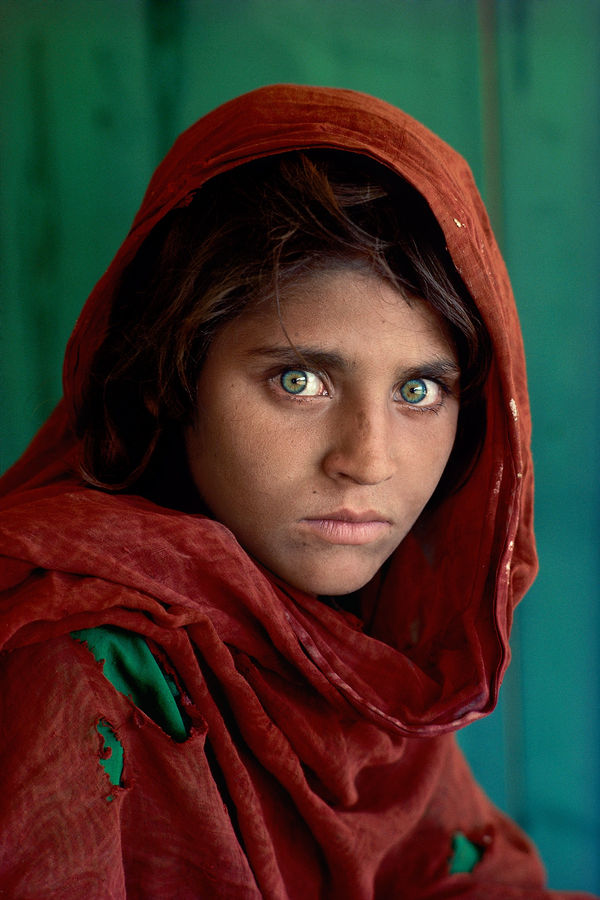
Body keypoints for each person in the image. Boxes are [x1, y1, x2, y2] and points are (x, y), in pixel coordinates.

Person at [0, 84, 593, 899]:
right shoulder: (75, 659)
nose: (368, 460)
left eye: (419, 392)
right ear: (167, 379)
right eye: (300, 378)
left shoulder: (359, 659)